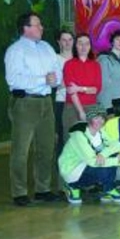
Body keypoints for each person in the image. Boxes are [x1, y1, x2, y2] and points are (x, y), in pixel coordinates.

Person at [4, 12, 63, 206]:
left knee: (46, 148)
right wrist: (42, 80)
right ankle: (19, 192)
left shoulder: (46, 47)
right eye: (37, 25)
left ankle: (42, 189)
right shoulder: (16, 50)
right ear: (26, 28)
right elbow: (14, 80)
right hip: (25, 103)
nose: (41, 28)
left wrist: (56, 80)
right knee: (21, 150)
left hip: (46, 101)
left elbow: (57, 72)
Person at [58, 106, 120, 204]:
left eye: (102, 118)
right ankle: (72, 186)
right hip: (72, 170)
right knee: (108, 164)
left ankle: (108, 189)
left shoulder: (100, 131)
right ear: (90, 120)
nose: (100, 121)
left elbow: (118, 145)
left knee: (113, 154)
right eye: (96, 118)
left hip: (85, 165)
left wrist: (103, 154)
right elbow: (92, 161)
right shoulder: (79, 135)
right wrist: (116, 161)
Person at [62, 33, 102, 140]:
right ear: (75, 45)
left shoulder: (96, 65)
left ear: (90, 46)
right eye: (80, 43)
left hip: (92, 107)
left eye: (87, 44)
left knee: (92, 140)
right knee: (72, 141)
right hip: (72, 107)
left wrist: (79, 88)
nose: (84, 47)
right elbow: (71, 91)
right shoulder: (69, 64)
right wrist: (80, 111)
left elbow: (96, 89)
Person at [97, 29, 120, 115]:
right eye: (118, 39)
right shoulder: (104, 60)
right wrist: (107, 106)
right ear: (112, 42)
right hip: (110, 104)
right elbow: (103, 84)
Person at [54, 29, 74, 157]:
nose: (67, 43)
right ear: (59, 42)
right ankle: (61, 168)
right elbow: (55, 83)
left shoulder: (79, 58)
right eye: (64, 40)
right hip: (62, 101)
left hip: (81, 102)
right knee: (63, 135)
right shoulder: (55, 59)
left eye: (70, 40)